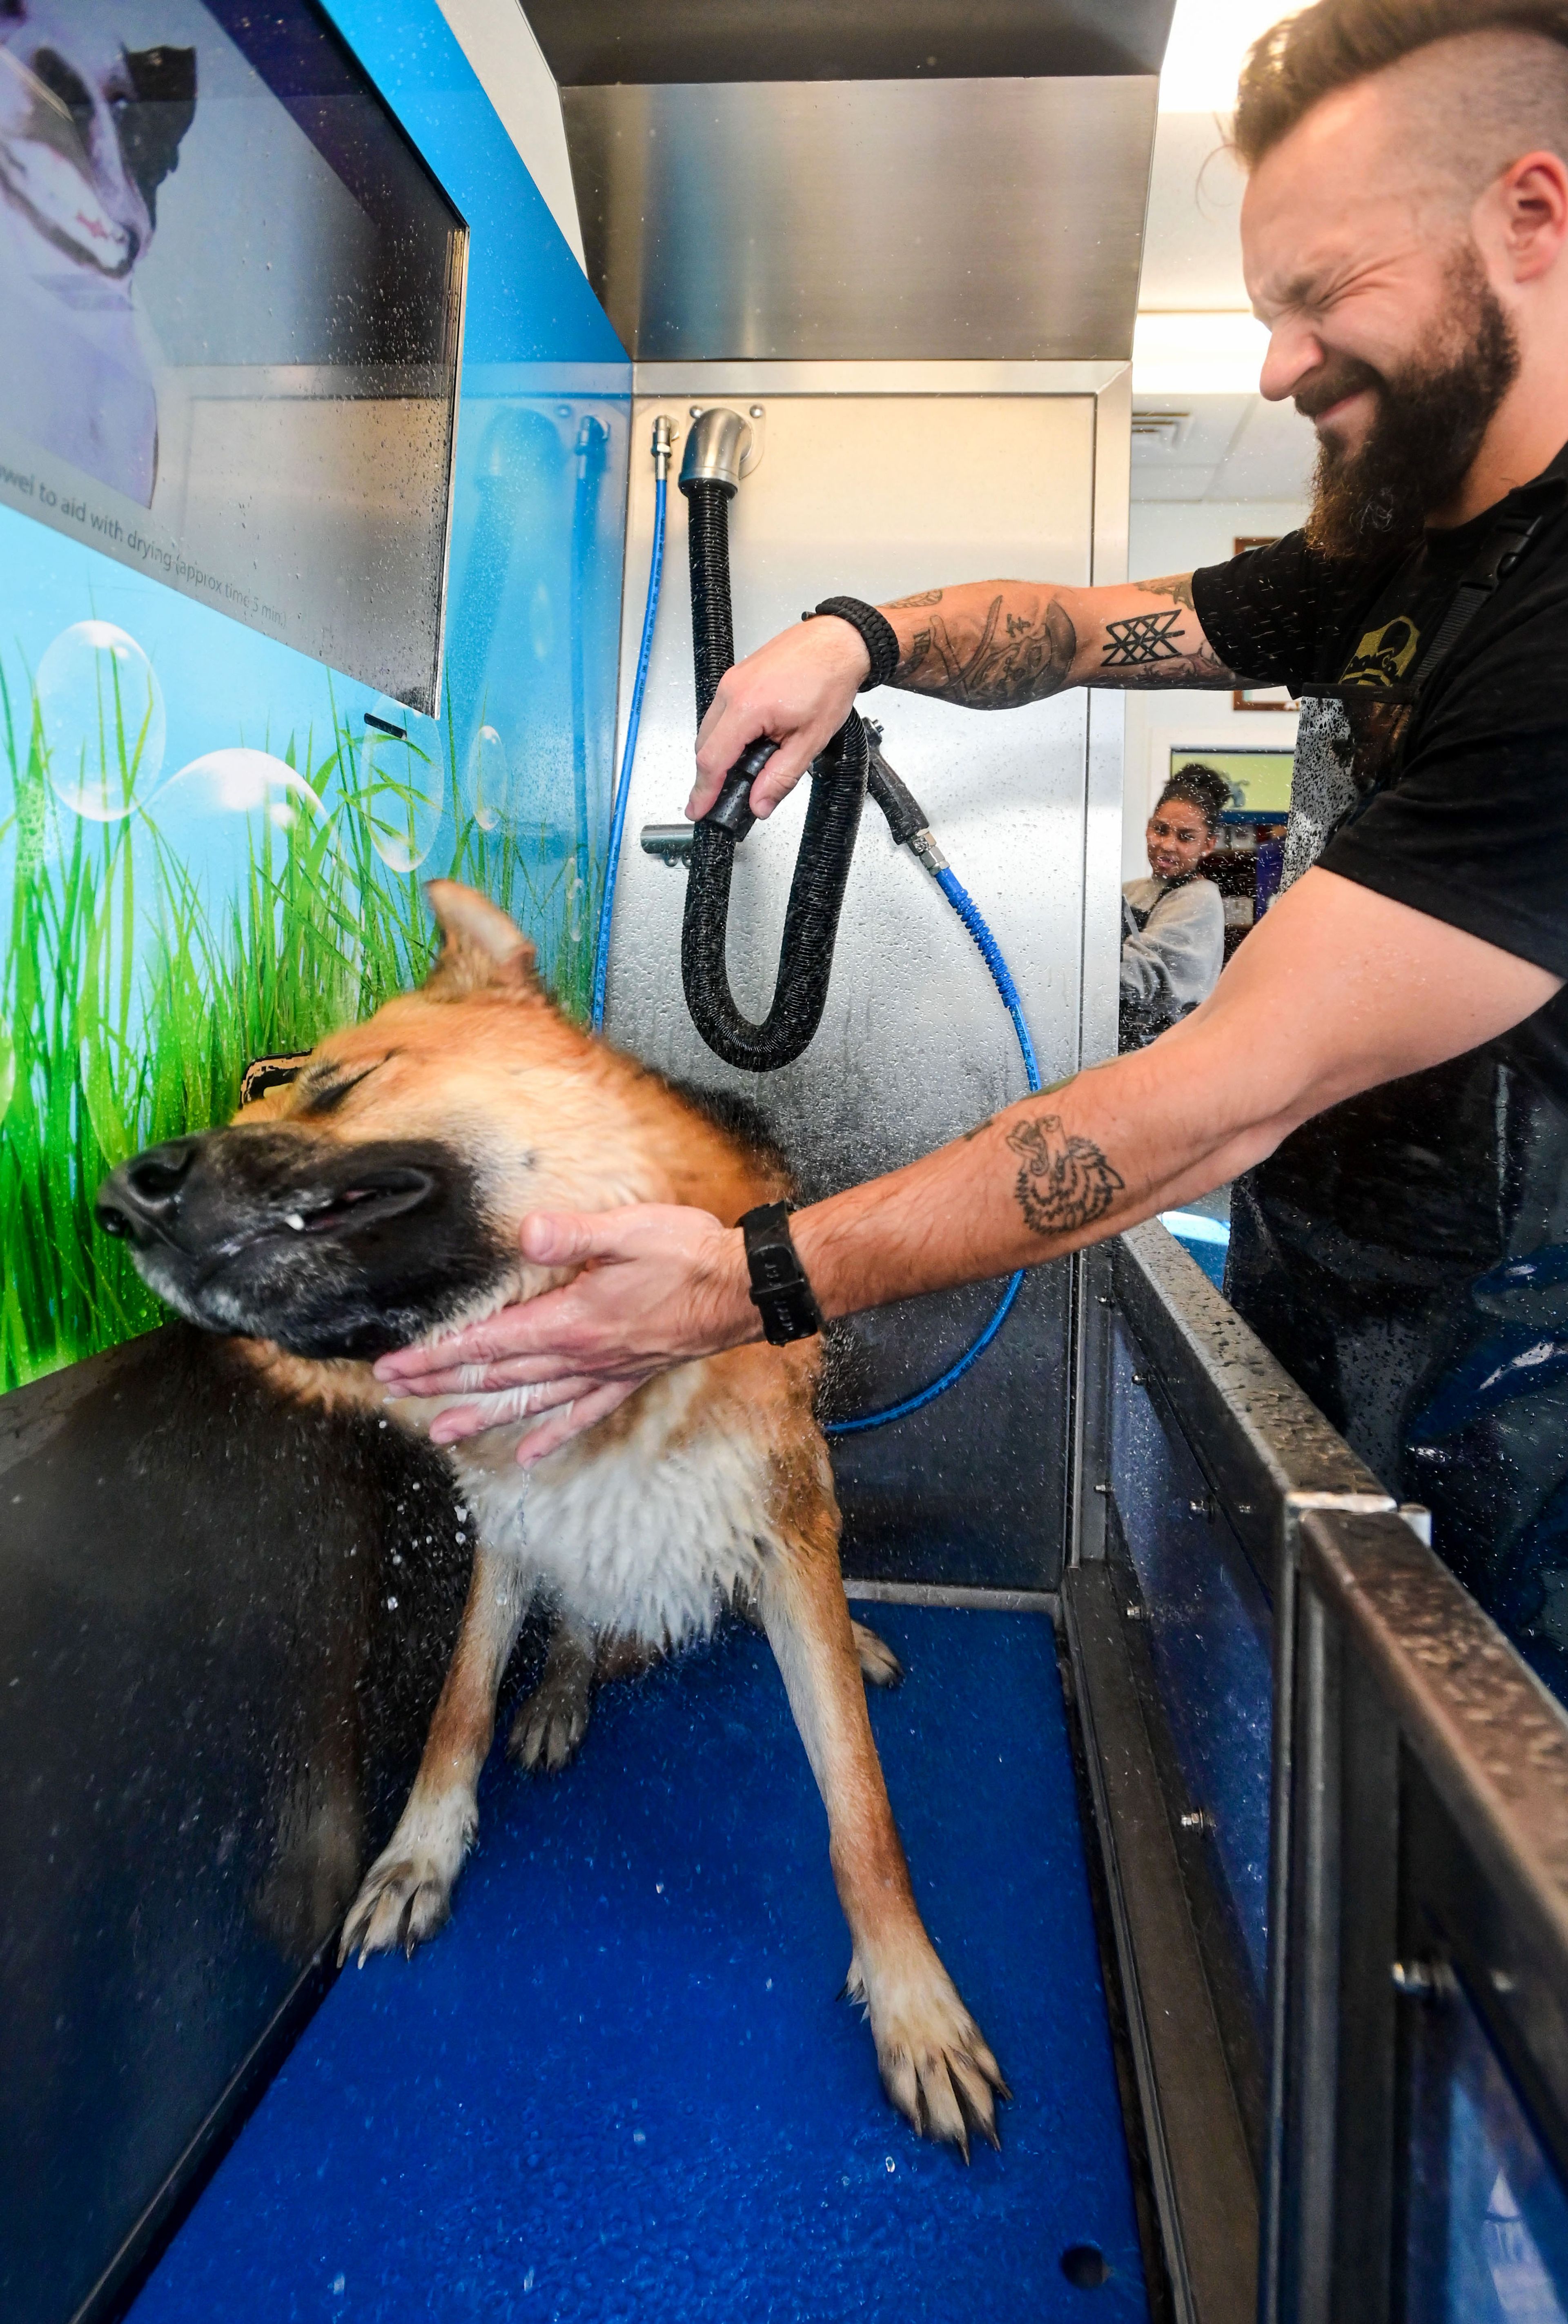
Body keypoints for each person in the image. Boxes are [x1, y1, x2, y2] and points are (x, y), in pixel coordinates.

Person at [378, 0, 1568, 1696]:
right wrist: (859, 636)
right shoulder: (1409, 543)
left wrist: (747, 1275)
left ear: (1534, 216)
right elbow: (1094, 627)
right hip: (1355, 1312)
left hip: (1526, 1404)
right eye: (1268, 307)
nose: (1279, 366)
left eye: (1328, 292)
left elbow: (1222, 1090)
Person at [1120, 766, 1228, 1050]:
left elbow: (1139, 977)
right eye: (1161, 830)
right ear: (1148, 828)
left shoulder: (1200, 899)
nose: (1168, 845)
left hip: (1158, 1055)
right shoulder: (1129, 891)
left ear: (1208, 844)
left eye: (1186, 837)